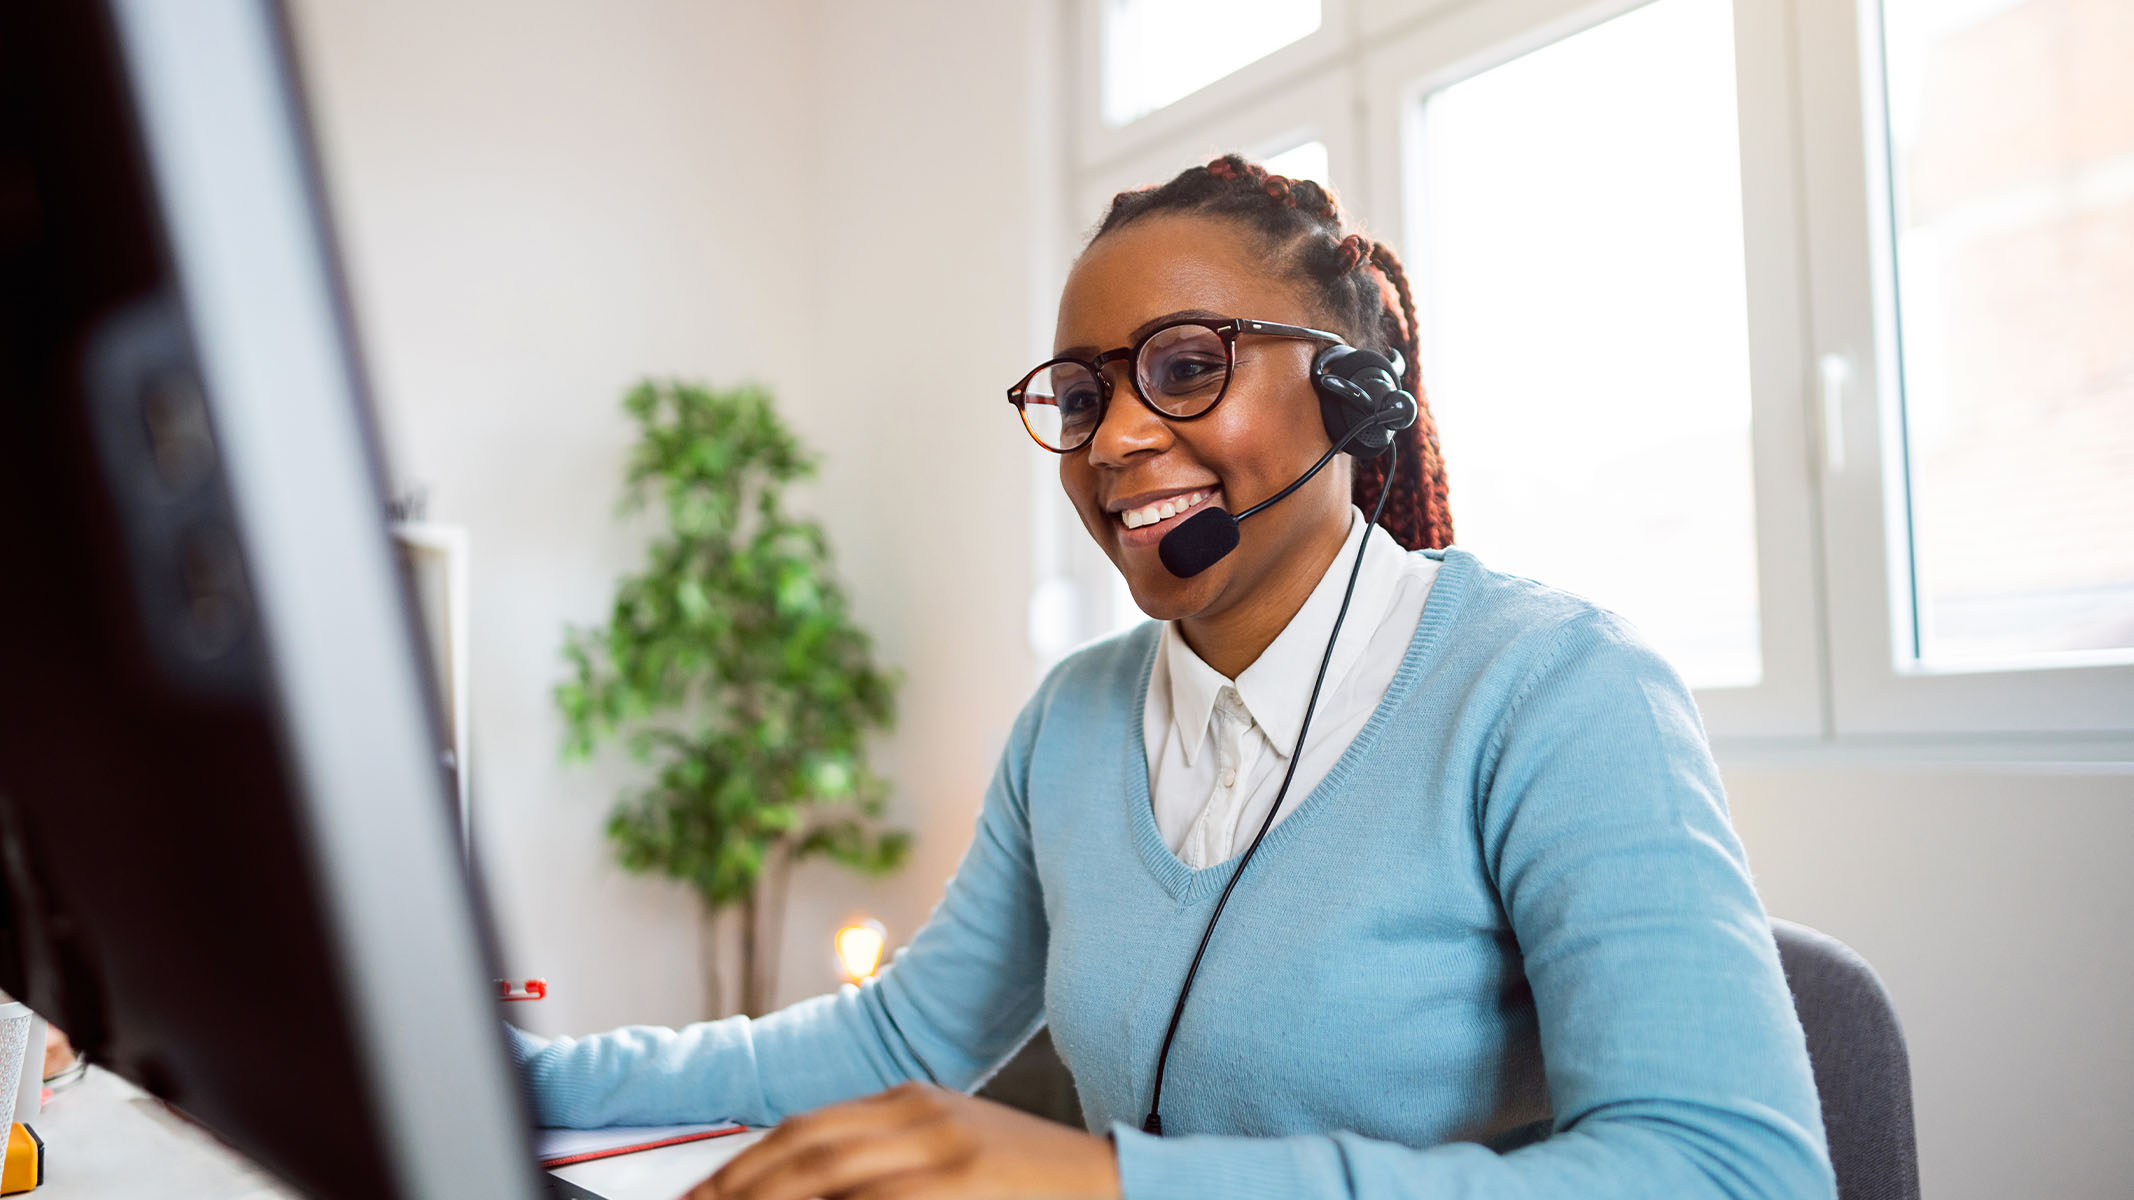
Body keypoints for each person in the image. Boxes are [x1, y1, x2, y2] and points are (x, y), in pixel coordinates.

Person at [512, 155, 1835, 1200]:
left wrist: (1112, 1182)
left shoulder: (1553, 688)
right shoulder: (1075, 722)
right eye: (1081, 399)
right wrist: (511, 1082)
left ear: (1353, 398)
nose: (1118, 440)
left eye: (1187, 367)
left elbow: (1732, 1173)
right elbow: (891, 1048)